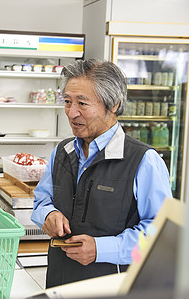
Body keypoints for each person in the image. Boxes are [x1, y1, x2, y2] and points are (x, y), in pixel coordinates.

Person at [31, 59, 173, 288]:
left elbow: (163, 237)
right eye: (67, 101)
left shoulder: (144, 161)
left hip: (113, 286)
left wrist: (101, 249)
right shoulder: (62, 152)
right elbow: (41, 200)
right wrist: (48, 215)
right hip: (59, 282)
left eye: (82, 103)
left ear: (113, 104)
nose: (71, 112)